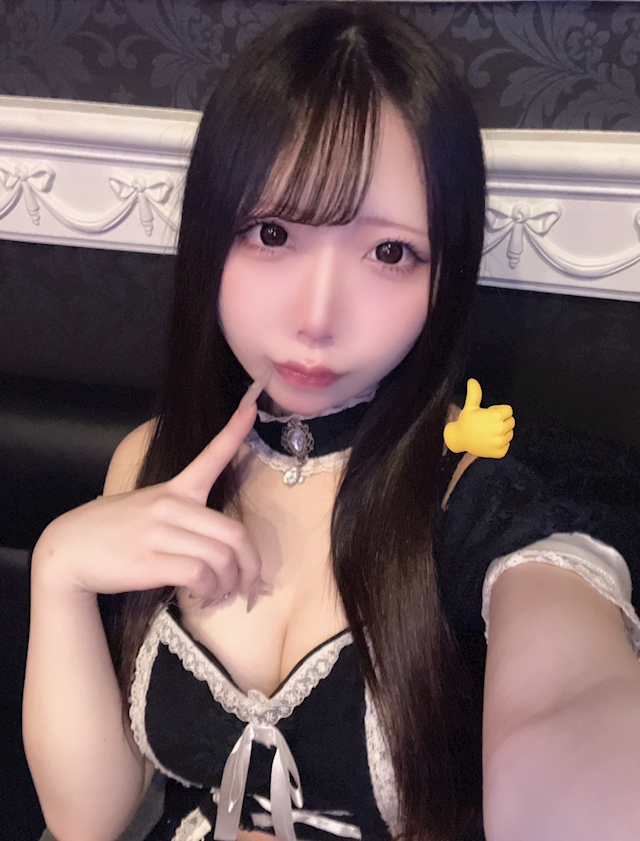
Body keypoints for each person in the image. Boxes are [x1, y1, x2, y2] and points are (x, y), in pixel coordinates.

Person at [23, 5, 640, 841]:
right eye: (273, 232)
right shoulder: (151, 460)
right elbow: (86, 818)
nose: (317, 318)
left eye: (389, 253)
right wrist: (59, 568)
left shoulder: (480, 500)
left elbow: (573, 705)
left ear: (445, 269)